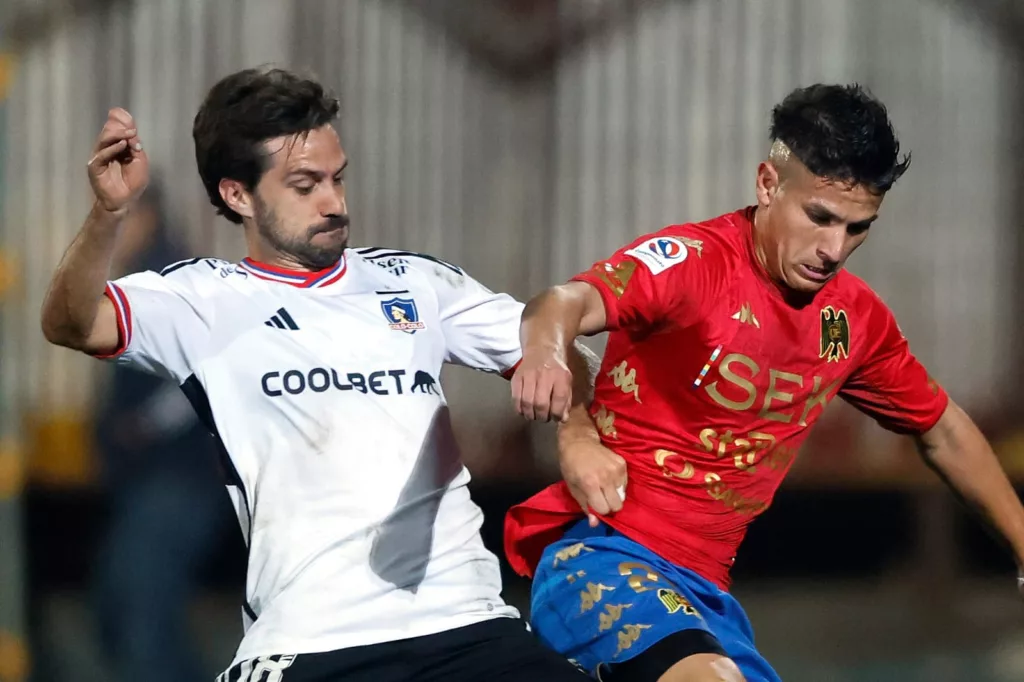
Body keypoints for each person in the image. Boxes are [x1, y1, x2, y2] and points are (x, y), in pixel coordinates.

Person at [40, 67, 594, 682]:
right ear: (238, 195)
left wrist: (578, 434)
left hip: (468, 627)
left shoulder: (415, 282)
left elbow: (553, 342)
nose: (334, 202)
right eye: (305, 185)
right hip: (312, 643)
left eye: (337, 178)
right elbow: (71, 323)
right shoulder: (199, 299)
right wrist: (107, 216)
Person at [504, 83, 1024, 682]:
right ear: (768, 185)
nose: (833, 248)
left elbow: (944, 429)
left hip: (703, 600)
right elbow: (563, 301)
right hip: (600, 558)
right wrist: (546, 356)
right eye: (820, 217)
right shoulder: (693, 263)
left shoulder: (851, 320)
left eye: (858, 228)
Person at [91, 182, 233, 682]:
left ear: (147, 216)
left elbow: (204, 372)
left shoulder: (168, 280)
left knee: (142, 623)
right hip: (154, 484)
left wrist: (142, 427)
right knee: (128, 611)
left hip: (175, 484)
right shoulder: (150, 277)